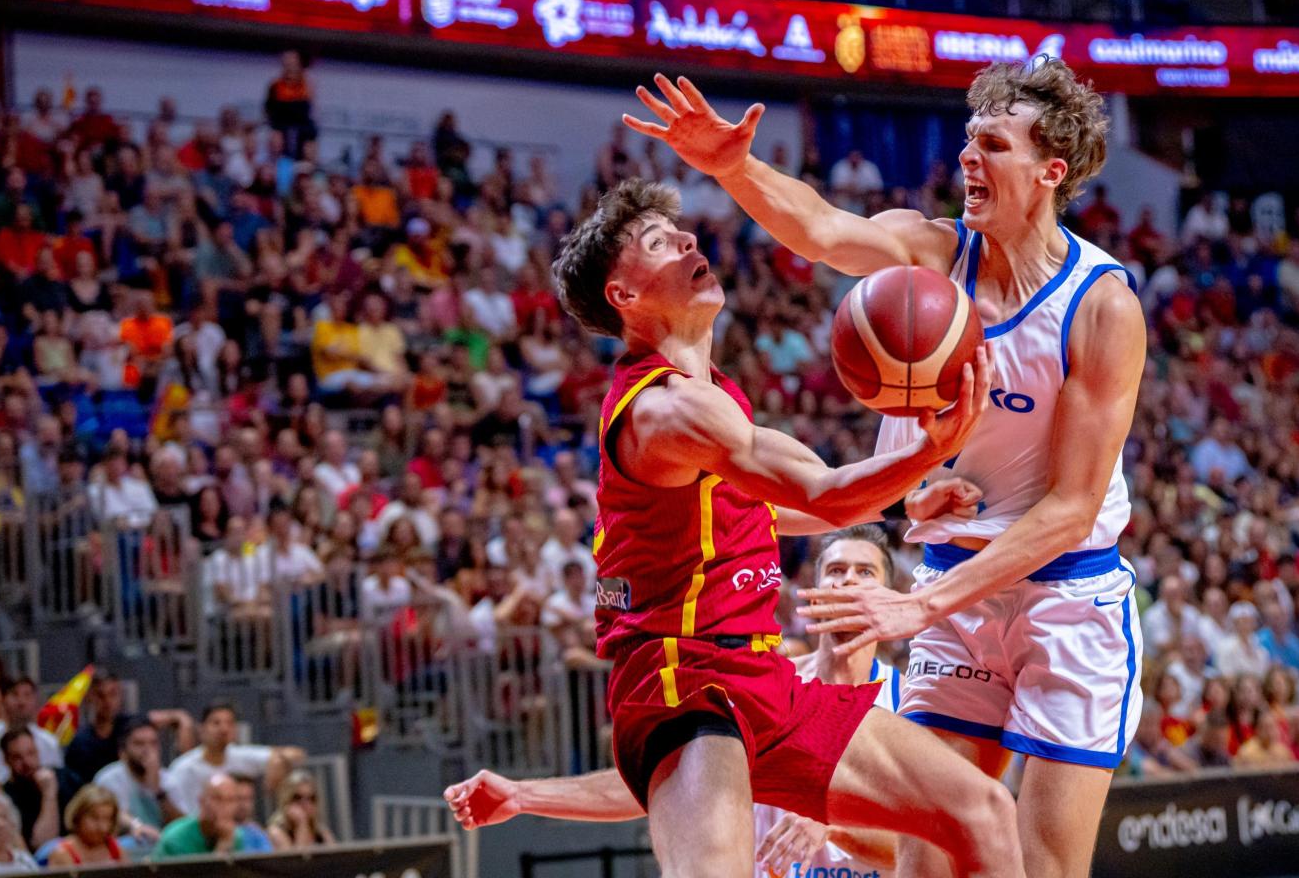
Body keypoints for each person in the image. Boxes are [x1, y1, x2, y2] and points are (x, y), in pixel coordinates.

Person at [628, 59, 1145, 878]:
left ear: (1052, 172)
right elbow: (824, 231)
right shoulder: (933, 253)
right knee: (930, 853)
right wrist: (733, 167)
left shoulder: (1103, 306)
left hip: (1067, 597)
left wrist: (919, 604)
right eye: (970, 139)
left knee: (1044, 865)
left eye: (995, 145)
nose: (970, 157)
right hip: (957, 585)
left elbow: (1073, 509)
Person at [491, 178, 1018, 878]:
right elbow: (825, 496)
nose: (686, 240)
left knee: (981, 810)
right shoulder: (665, 413)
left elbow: (786, 503)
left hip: (759, 673)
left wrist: (903, 501)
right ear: (625, 296)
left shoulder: (717, 399)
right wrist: (928, 448)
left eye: (680, 232)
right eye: (658, 242)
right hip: (681, 681)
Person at [450, 524, 952, 878]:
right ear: (810, 591)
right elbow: (660, 783)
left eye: (866, 573)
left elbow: (934, 850)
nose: (848, 581)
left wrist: (834, 826)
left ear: (892, 594)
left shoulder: (911, 702)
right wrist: (521, 796)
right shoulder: (764, 691)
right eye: (836, 570)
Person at [165, 703, 304, 818]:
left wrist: (277, 760)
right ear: (201, 729)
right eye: (216, 723)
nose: (224, 729)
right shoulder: (183, 768)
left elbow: (298, 754)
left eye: (230, 723)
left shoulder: (238, 754)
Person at [64, 670, 195, 783]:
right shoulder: (80, 741)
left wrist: (186, 761)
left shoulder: (131, 724)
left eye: (113, 694)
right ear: (89, 697)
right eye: (100, 695)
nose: (107, 702)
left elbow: (178, 717)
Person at [92, 718, 176, 840]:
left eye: (153, 743)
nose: (147, 750)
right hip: (123, 843)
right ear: (123, 750)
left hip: (161, 845)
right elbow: (115, 813)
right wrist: (136, 825)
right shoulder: (108, 778)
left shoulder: (169, 779)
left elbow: (179, 823)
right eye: (139, 743)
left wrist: (158, 790)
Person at [0, 679, 61, 784]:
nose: (21, 702)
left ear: (36, 701)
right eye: (15, 695)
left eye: (27, 695)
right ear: (3, 699)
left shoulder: (49, 741)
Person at [151, 772, 247, 860]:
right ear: (201, 801)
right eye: (217, 798)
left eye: (231, 800)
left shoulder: (235, 835)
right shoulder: (176, 839)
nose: (225, 806)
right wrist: (224, 843)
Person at [0, 729, 58, 850]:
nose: (27, 762)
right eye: (17, 757)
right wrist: (49, 793)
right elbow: (41, 843)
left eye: (31, 753)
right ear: (5, 760)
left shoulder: (63, 777)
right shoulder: (6, 797)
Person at [46, 785, 124, 865]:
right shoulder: (62, 854)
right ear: (78, 815)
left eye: (108, 819)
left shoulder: (116, 850)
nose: (102, 827)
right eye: (95, 818)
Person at [267, 770, 336, 850]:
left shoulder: (321, 832)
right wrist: (301, 825)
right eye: (298, 798)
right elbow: (296, 860)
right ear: (286, 799)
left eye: (311, 798)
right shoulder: (276, 832)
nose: (305, 804)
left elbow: (335, 858)